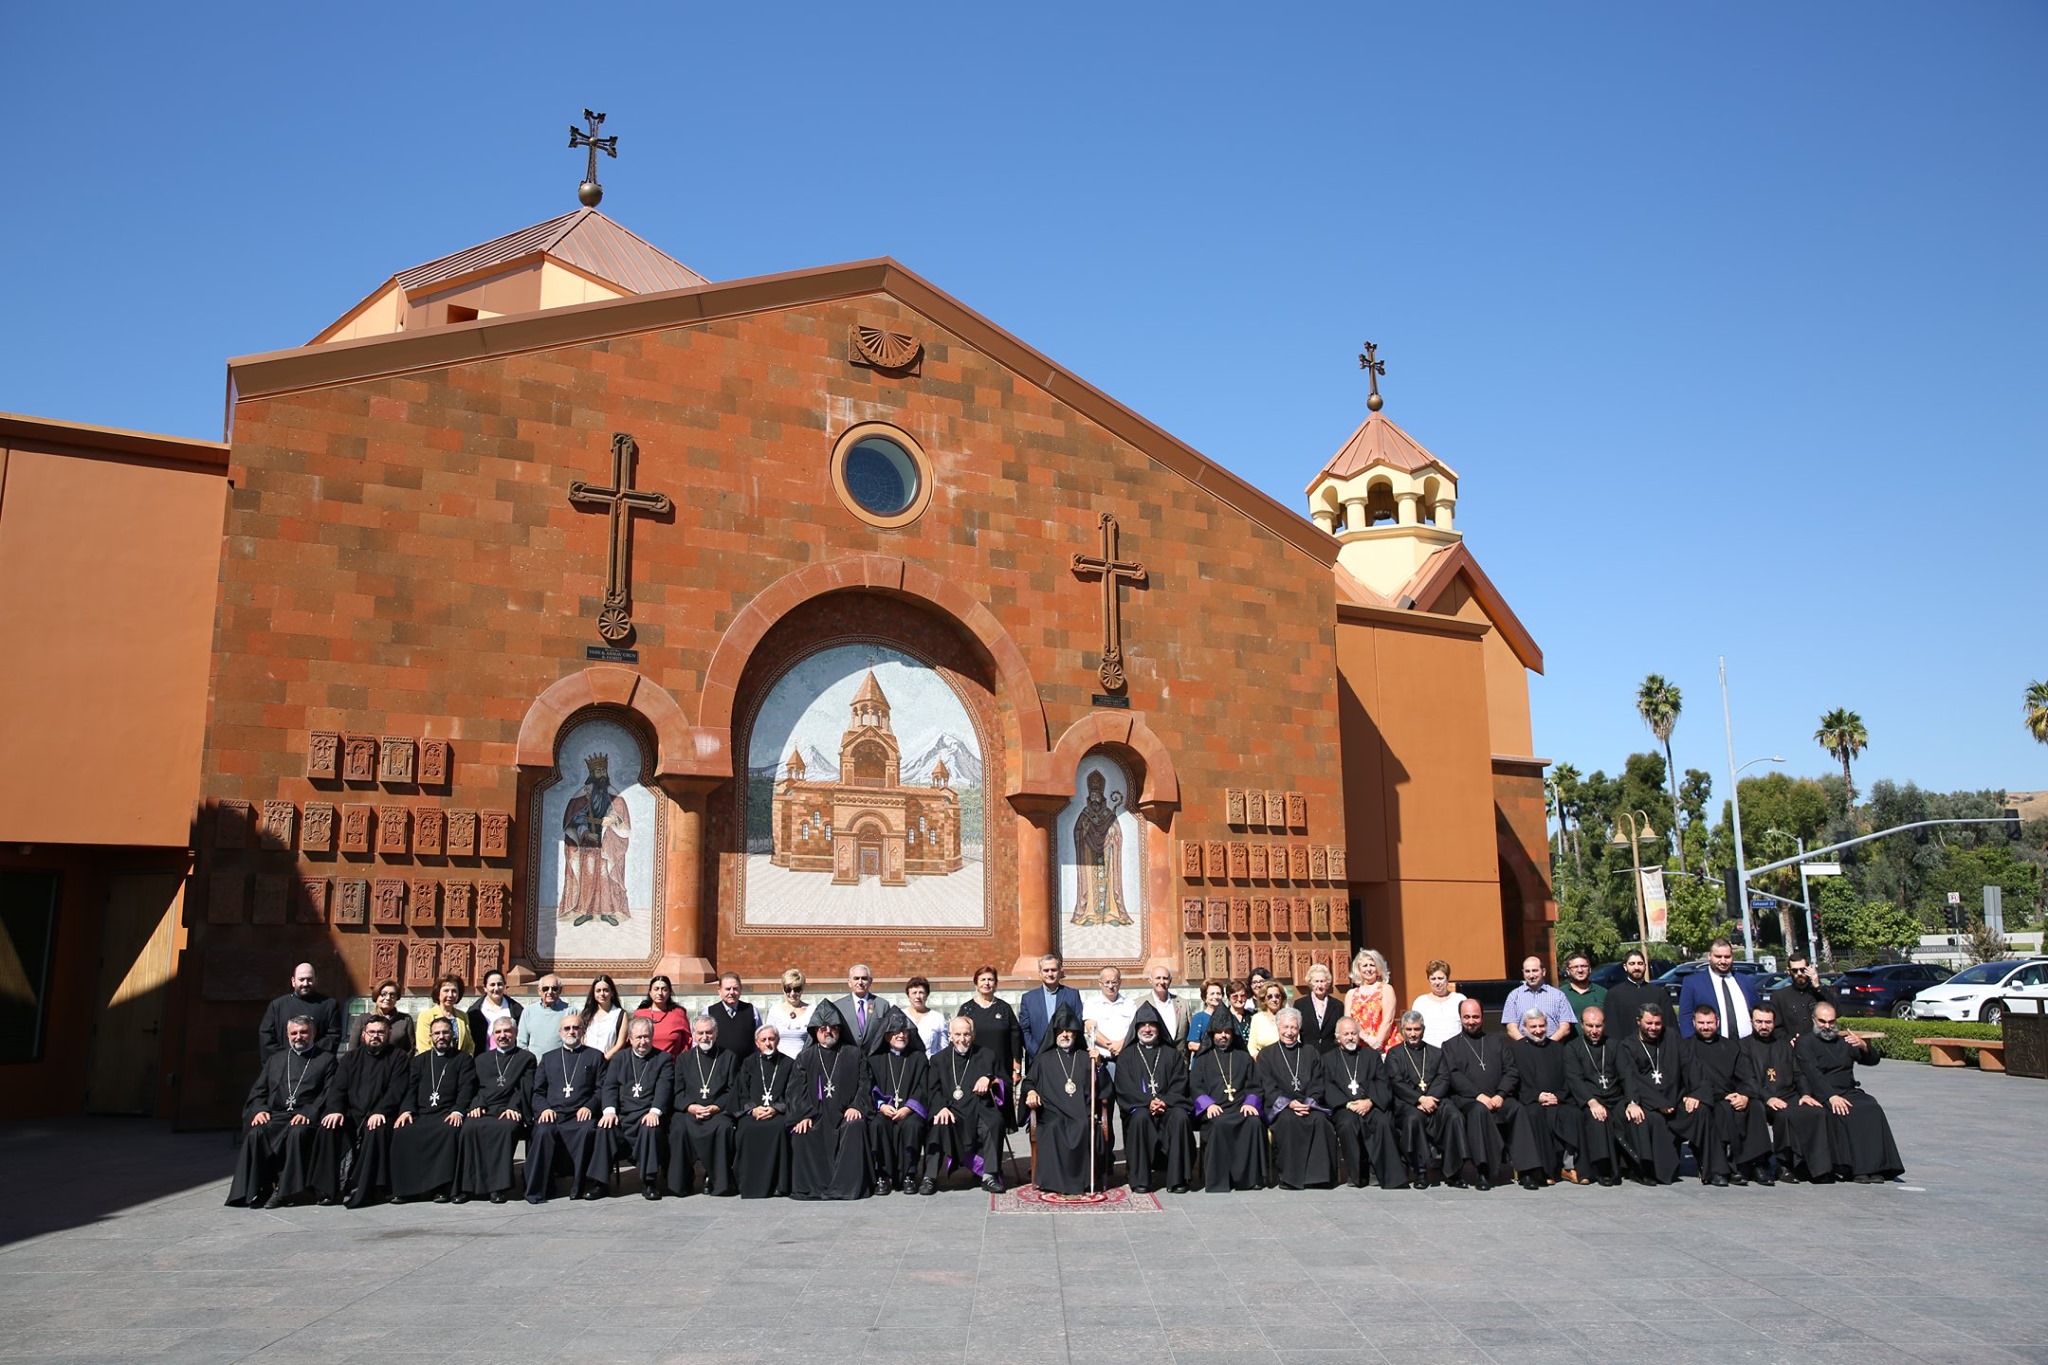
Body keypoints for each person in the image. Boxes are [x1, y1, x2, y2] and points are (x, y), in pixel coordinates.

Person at [226, 1015, 338, 1208]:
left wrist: (309, 1113)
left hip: (307, 1116)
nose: (299, 1037)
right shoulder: (275, 1060)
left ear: (313, 1033)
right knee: (257, 1132)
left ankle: (284, 1192)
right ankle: (259, 1189)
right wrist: (260, 1109)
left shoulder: (326, 1060)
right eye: (294, 1033)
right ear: (287, 1035)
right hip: (277, 1115)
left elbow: (329, 1093)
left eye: (303, 1032)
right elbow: (259, 1090)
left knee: (298, 1133)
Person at [1797, 1003, 1904, 1183]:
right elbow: (1812, 1074)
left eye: (1831, 1022)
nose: (1827, 1026)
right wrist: (1831, 1097)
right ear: (1814, 1020)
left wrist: (1864, 1046)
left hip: (1848, 1090)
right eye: (1822, 1021)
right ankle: (1858, 1169)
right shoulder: (1805, 1043)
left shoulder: (1843, 1041)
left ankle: (1877, 1167)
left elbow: (1872, 1060)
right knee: (1848, 1112)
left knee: (1872, 1107)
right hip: (1824, 1093)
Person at [1442, 998, 1535, 1190]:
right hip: (1469, 1101)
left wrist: (1500, 1094)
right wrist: (1478, 1096)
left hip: (1498, 1098)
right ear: (1460, 1018)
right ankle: (1483, 1171)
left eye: (1475, 1017)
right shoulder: (1450, 1045)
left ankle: (1526, 1171)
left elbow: (1511, 1071)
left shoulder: (1497, 1042)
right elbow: (1454, 1075)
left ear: (1482, 1018)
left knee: (1518, 1109)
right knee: (1478, 1112)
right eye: (1466, 1017)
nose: (1471, 1021)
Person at [317, 1014, 408, 1208]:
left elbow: (396, 1089)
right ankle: (327, 1190)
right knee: (328, 1127)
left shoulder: (398, 1057)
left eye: (381, 1032)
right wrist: (335, 1110)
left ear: (388, 1034)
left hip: (382, 1113)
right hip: (352, 1113)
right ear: (364, 1035)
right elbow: (338, 1089)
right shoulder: (350, 1058)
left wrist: (381, 1112)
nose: (376, 1036)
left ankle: (362, 1187)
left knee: (377, 1130)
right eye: (372, 1032)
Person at [789, 1000, 874, 1199]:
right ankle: (814, 1188)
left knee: (855, 1126)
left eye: (833, 1028)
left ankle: (846, 1188)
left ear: (840, 1029)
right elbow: (795, 1090)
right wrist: (803, 1114)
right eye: (822, 1028)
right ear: (814, 1031)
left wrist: (856, 1106)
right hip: (816, 1115)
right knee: (802, 1132)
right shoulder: (805, 1057)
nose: (828, 1031)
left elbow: (865, 1083)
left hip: (846, 1114)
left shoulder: (854, 1054)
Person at [1733, 1002, 1827, 1183]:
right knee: (1781, 1114)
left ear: (1774, 1023)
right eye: (1759, 1022)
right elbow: (1748, 1079)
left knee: (1817, 1112)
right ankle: (1783, 1165)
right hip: (1760, 1096)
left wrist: (1806, 1094)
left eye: (1768, 1022)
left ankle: (1814, 1166)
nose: (1763, 1026)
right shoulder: (1743, 1045)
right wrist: (1768, 1098)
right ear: (1752, 1022)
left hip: (1788, 1093)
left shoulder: (1785, 1044)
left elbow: (1799, 1073)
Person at [1022, 1005, 1109, 1194]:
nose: (1065, 1035)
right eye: (1061, 1031)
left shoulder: (1087, 1057)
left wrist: (1100, 1065)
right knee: (1053, 1127)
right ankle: (1054, 1182)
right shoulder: (1043, 1059)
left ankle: (1085, 1181)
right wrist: (1030, 1092)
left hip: (1080, 1111)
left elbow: (1103, 1088)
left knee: (1084, 1126)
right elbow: (1029, 1081)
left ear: (1076, 1034)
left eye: (1069, 1031)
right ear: (1054, 1034)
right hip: (1052, 1112)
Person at [390, 1015, 477, 1203]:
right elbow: (410, 1089)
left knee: (448, 1131)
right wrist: (406, 1111)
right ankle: (407, 1189)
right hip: (422, 1113)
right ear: (430, 1036)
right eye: (437, 1033)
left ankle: (441, 1188)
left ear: (452, 1035)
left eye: (445, 1032)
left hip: (447, 1113)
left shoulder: (463, 1059)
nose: (441, 1036)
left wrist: (458, 1111)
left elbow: (466, 1089)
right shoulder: (419, 1061)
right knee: (402, 1132)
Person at [525, 1014, 609, 1202]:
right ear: (560, 1032)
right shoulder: (548, 1058)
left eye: (576, 1028)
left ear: (583, 1031)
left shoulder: (595, 1056)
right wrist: (544, 1109)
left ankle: (578, 1187)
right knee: (543, 1131)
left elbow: (602, 1088)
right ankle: (542, 1188)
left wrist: (589, 1106)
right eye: (567, 1028)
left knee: (587, 1131)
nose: (572, 1031)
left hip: (580, 1114)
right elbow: (538, 1091)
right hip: (553, 1114)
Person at [1679, 1002, 1763, 1186]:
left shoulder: (1731, 1046)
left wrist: (1745, 1095)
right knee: (1720, 1111)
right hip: (1706, 1098)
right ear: (1693, 1023)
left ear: (1717, 1021)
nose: (1706, 1027)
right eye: (1701, 1022)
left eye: (1709, 1022)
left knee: (1755, 1107)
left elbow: (1746, 1075)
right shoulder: (1686, 1048)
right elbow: (1685, 1080)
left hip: (1732, 1096)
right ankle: (1720, 1169)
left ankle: (1756, 1164)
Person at [1252, 1008, 1338, 1189]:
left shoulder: (1310, 1052)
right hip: (1281, 1107)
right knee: (1290, 1122)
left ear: (1299, 1029)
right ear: (1278, 1028)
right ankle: (1290, 1177)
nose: (1289, 1032)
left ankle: (1319, 1177)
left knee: (1321, 1122)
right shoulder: (1267, 1055)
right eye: (1285, 1027)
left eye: (1294, 1028)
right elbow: (1267, 1086)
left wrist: (1309, 1102)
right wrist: (1289, 1103)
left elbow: (1318, 1081)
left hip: (1308, 1104)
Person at [1112, 1002, 1192, 1193]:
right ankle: (1140, 1179)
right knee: (1140, 1117)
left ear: (1159, 1027)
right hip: (1140, 1107)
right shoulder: (1126, 1056)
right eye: (1143, 1025)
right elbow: (1124, 1088)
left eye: (1152, 1025)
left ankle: (1177, 1179)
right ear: (1136, 1028)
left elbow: (1180, 1083)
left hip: (1169, 1106)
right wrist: (1149, 1102)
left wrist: (1164, 1101)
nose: (1147, 1029)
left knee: (1180, 1117)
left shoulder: (1172, 1054)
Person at [922, 1015, 1007, 1194]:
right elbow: (932, 1090)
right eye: (958, 1034)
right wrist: (941, 1108)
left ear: (973, 1035)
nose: (963, 1039)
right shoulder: (938, 1060)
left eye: (967, 1034)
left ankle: (989, 1175)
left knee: (995, 1122)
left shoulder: (987, 1055)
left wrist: (990, 1079)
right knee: (938, 1122)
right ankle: (930, 1177)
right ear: (950, 1036)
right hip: (951, 1110)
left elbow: (1004, 1079)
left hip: (979, 1109)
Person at [457, 1015, 534, 1203]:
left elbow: (525, 1087)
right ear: (492, 1035)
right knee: (469, 1128)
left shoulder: (526, 1058)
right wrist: (477, 1105)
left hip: (509, 1108)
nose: (503, 1035)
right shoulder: (481, 1059)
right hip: (485, 1107)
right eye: (498, 1032)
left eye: (507, 1031)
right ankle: (468, 1187)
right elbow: (475, 1087)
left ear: (515, 1033)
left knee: (505, 1129)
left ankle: (498, 1188)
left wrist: (514, 1107)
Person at [1619, 1002, 1696, 1185]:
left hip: (1674, 1098)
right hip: (1646, 1101)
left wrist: (1695, 1093)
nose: (1654, 1028)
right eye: (1649, 1023)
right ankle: (1646, 1169)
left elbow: (1688, 1065)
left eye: (1657, 1024)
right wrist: (1657, 1103)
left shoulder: (1671, 1038)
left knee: (1701, 1112)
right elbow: (1631, 1078)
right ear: (1638, 1022)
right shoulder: (1628, 1045)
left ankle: (1714, 1169)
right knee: (1650, 1119)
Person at [1384, 1010, 1462, 1188]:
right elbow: (1396, 1082)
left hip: (1435, 1099)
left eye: (1417, 1029)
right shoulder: (1395, 1054)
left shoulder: (1435, 1052)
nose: (1413, 1034)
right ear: (1402, 1030)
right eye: (1409, 1029)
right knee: (1413, 1119)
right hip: (1408, 1103)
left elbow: (1444, 1077)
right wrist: (1419, 1099)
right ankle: (1420, 1171)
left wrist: (1430, 1098)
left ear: (1423, 1029)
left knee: (1454, 1116)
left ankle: (1453, 1171)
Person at [1188, 1014, 1264, 1192]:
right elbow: (1195, 1086)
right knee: (1220, 1123)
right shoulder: (1202, 1060)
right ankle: (1219, 1180)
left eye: (1227, 1032)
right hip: (1216, 1111)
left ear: (1233, 1034)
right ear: (1212, 1034)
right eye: (1219, 1032)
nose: (1223, 1035)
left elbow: (1255, 1085)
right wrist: (1208, 1105)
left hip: (1240, 1109)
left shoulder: (1243, 1058)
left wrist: (1250, 1103)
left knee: (1253, 1122)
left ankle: (1250, 1180)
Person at [603, 1014, 675, 1199]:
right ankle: (600, 1183)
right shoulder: (620, 1058)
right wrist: (610, 1111)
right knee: (604, 1128)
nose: (643, 1041)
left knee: (651, 1128)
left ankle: (649, 1182)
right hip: (624, 1115)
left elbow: (664, 1088)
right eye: (638, 1037)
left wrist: (655, 1111)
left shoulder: (663, 1058)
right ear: (630, 1039)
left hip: (647, 1113)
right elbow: (610, 1086)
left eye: (646, 1037)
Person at [1325, 1017, 1403, 1189]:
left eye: (1354, 1033)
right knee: (1347, 1123)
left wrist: (1370, 1101)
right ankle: (1357, 1175)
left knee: (1383, 1121)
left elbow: (1382, 1082)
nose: (1350, 1037)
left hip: (1370, 1103)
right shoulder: (1329, 1059)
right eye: (1346, 1034)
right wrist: (1348, 1105)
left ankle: (1380, 1173)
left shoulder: (1371, 1056)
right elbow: (1327, 1086)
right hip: (1345, 1106)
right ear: (1338, 1037)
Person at [666, 1014, 736, 1196]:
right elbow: (677, 1092)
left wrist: (715, 1108)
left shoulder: (728, 1057)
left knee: (724, 1128)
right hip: (691, 1112)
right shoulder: (683, 1059)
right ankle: (682, 1182)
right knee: (678, 1128)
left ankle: (716, 1181)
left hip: (718, 1111)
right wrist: (691, 1107)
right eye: (700, 1033)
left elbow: (732, 1091)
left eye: (709, 1032)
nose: (705, 1037)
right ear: (693, 1035)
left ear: (716, 1033)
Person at [1509, 1009, 1580, 1187]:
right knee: (1534, 1115)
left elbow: (1568, 1078)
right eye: (1533, 1027)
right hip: (1531, 1101)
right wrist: (1537, 1096)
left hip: (1557, 1099)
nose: (1538, 1030)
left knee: (1573, 1114)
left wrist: (1558, 1096)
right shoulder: (1516, 1050)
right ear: (1524, 1028)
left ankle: (1569, 1167)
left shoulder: (1558, 1048)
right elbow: (1515, 1081)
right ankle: (1542, 1170)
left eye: (1542, 1026)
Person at [1561, 1006, 1628, 1186]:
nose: (1594, 1031)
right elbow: (1574, 1079)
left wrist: (1632, 1102)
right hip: (1589, 1099)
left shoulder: (1614, 1045)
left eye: (1598, 1026)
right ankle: (1603, 1169)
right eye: (1590, 1026)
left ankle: (1637, 1167)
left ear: (1604, 1025)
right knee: (1598, 1118)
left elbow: (1626, 1075)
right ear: (1582, 1025)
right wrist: (1592, 1102)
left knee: (1634, 1116)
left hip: (1615, 1098)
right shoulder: (1572, 1048)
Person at [870, 1008, 931, 1195]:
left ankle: (909, 1175)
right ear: (886, 1035)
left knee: (912, 1126)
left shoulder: (918, 1058)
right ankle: (883, 1176)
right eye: (896, 1032)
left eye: (904, 1031)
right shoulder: (875, 1059)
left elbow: (923, 1087)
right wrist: (881, 1105)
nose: (901, 1035)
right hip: (885, 1110)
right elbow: (869, 1086)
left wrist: (908, 1108)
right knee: (878, 1125)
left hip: (909, 1110)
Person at [735, 1023, 796, 1199]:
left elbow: (793, 1094)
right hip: (754, 1113)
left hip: (778, 1113)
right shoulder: (748, 1063)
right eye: (764, 1040)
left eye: (771, 1039)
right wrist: (752, 1109)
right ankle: (748, 1183)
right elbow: (741, 1092)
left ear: (778, 1040)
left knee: (779, 1129)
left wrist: (776, 1108)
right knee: (746, 1129)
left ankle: (779, 1184)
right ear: (757, 1043)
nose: (768, 1043)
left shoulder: (788, 1064)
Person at [955, 965, 1021, 1123]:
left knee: (999, 1115)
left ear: (996, 984)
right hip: (973, 1065)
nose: (987, 983)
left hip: (1000, 1067)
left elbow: (1015, 1036)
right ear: (976, 984)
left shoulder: (1003, 1008)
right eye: (983, 979)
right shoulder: (967, 1009)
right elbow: (959, 1039)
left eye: (990, 980)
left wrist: (1016, 1067)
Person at [259, 962, 343, 1061]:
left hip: (316, 1063)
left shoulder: (329, 1005)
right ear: (293, 981)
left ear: (316, 980)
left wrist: (309, 1053)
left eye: (309, 979)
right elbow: (266, 1037)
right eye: (301, 979)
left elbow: (333, 1036)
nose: (305, 984)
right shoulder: (277, 1006)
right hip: (284, 1064)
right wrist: (286, 1057)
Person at [1678, 938, 1759, 1040]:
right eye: (1718, 956)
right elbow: (1685, 1017)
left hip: (1747, 1045)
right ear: (1709, 956)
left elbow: (1757, 1011)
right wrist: (1691, 1044)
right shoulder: (1693, 982)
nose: (1723, 961)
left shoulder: (1746, 981)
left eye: (1727, 957)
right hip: (1711, 1047)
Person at [1017, 953, 1083, 1060]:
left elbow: (1078, 1024)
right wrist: (1038, 1053)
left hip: (1066, 1057)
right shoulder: (1028, 999)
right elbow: (1024, 1030)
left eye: (1054, 970)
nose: (1050, 974)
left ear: (1060, 972)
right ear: (1040, 974)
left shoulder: (1072, 995)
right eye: (1046, 970)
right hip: (1037, 1058)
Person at [1603, 950, 1678, 1043]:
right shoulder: (1614, 994)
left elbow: (1670, 1026)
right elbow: (1612, 1030)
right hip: (1625, 1050)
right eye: (1632, 964)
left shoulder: (1658, 993)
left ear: (1645, 966)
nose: (1636, 967)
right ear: (1625, 967)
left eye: (1640, 963)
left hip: (1656, 1048)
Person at [1502, 955, 1576, 1042]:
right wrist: (1525, 1045)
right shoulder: (1514, 996)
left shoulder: (1558, 996)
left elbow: (1565, 1027)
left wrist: (1550, 1045)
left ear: (1543, 972)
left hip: (1552, 1048)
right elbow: (1511, 1028)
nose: (1531, 975)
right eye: (1527, 971)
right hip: (1524, 1049)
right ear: (1523, 973)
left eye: (1535, 971)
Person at [1345, 950, 1399, 1052]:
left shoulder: (1386, 989)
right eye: (1365, 966)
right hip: (1360, 1047)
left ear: (1378, 968)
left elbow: (1388, 1020)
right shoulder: (1350, 994)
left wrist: (1378, 1042)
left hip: (1386, 1046)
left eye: (1372, 965)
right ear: (1358, 969)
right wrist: (1367, 1039)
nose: (1369, 969)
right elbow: (1349, 1022)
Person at [833, 964, 891, 1055]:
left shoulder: (882, 1005)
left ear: (870, 981)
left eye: (864, 978)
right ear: (849, 982)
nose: (860, 982)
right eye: (856, 978)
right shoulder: (838, 1006)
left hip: (874, 1059)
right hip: (847, 1058)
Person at [1408, 959, 1466, 1047]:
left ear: (1447, 979)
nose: (1437, 982)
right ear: (1429, 980)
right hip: (1429, 1053)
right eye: (1433, 979)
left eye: (1440, 978)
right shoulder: (1420, 1002)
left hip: (1456, 1051)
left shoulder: (1459, 999)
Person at [1083, 966, 1137, 1061]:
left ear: (1120, 983)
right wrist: (1111, 1046)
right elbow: (1091, 1029)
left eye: (1114, 982)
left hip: (1126, 1057)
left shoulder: (1130, 1004)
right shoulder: (1091, 1004)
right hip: (1101, 1059)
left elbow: (1134, 1029)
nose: (1111, 986)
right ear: (1100, 983)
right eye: (1107, 982)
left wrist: (1121, 1045)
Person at [1769, 954, 1829, 1039]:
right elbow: (1777, 1027)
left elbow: (1836, 1012)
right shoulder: (1779, 996)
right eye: (1795, 970)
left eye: (1803, 969)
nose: (1799, 973)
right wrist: (1789, 1040)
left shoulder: (1820, 992)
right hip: (1792, 1047)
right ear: (1789, 971)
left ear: (1809, 969)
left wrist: (1818, 986)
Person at [413, 974, 475, 1055]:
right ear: (438, 993)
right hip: (435, 1064)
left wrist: (465, 1062)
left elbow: (469, 1045)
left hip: (460, 1065)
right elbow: (423, 1046)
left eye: (454, 991)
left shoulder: (463, 1016)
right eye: (446, 991)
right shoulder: (426, 1016)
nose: (450, 995)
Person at [517, 975, 576, 1057]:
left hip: (561, 1065)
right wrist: (529, 1062)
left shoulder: (570, 1011)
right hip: (535, 1065)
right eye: (545, 989)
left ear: (560, 990)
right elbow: (521, 1042)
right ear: (539, 991)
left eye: (554, 989)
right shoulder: (528, 1011)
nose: (550, 992)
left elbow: (575, 1040)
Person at [708, 972, 761, 1060]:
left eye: (735, 988)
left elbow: (759, 1039)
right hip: (719, 1067)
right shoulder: (709, 1012)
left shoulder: (752, 1010)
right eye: (728, 989)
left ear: (741, 989)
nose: (732, 992)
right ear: (719, 990)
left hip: (746, 1067)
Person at [762, 968, 815, 1058]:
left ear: (802, 989)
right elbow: (768, 1039)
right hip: (779, 1063)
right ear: (783, 989)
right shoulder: (774, 1011)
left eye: (797, 989)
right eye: (788, 989)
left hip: (803, 1063)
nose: (792, 993)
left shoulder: (812, 1010)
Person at [465, 969, 521, 1052]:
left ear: (505, 985)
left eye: (500, 984)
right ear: (485, 988)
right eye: (492, 985)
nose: (496, 988)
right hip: (482, 1058)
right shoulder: (474, 1012)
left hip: (510, 1057)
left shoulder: (516, 1010)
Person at [1136, 964, 1193, 1046]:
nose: (1162, 982)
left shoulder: (1183, 1004)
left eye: (1165, 978)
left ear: (1170, 980)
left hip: (1180, 1056)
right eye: (1158, 978)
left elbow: (1190, 1034)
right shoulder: (1139, 1004)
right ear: (1150, 980)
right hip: (1153, 1055)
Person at [634, 975, 691, 1056]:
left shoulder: (678, 1014)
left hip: (671, 1065)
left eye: (664, 989)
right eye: (656, 989)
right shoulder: (640, 1014)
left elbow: (688, 1041)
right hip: (645, 1064)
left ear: (669, 992)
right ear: (650, 992)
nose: (660, 993)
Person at [356, 979, 415, 1055]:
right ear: (376, 996)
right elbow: (353, 1048)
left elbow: (410, 1049)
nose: (388, 998)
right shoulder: (363, 1019)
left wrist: (401, 1065)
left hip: (397, 1064)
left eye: (392, 995)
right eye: (383, 994)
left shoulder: (405, 1019)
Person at [1295, 962, 1344, 1053]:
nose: (1319, 985)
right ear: (1310, 983)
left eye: (1322, 981)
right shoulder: (1300, 1005)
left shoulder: (1338, 1005)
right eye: (1316, 981)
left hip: (1331, 1055)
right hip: (1307, 1054)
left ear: (1328, 983)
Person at [580, 974, 629, 1059]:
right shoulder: (586, 1014)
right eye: (598, 991)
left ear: (612, 993)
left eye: (606, 990)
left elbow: (620, 1043)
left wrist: (604, 1059)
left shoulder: (620, 1014)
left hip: (608, 1062)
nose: (602, 994)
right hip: (587, 1061)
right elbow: (581, 1039)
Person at [901, 977, 949, 1057]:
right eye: (914, 993)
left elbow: (943, 1048)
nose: (917, 996)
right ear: (908, 996)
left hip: (930, 1065)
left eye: (921, 992)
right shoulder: (901, 1015)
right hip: (907, 1064)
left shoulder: (937, 1018)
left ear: (926, 996)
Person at [1558, 952, 1605, 1021]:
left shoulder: (1603, 993)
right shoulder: (1560, 994)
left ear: (1590, 969)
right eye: (1575, 967)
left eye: (1584, 966)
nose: (1580, 970)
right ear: (1568, 971)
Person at [1247, 980, 1288, 1056]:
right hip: (1263, 1062)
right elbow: (1251, 1046)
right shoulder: (1257, 1018)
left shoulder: (1288, 1017)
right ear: (1264, 1000)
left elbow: (1296, 1040)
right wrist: (1259, 1060)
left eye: (1277, 996)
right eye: (1269, 997)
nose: (1274, 999)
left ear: (1282, 998)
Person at [1187, 980, 1228, 1055]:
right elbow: (1191, 1045)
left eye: (1218, 993)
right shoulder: (1199, 1017)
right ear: (1205, 997)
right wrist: (1212, 1048)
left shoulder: (1228, 1017)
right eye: (1212, 994)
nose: (1215, 997)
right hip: (1203, 1059)